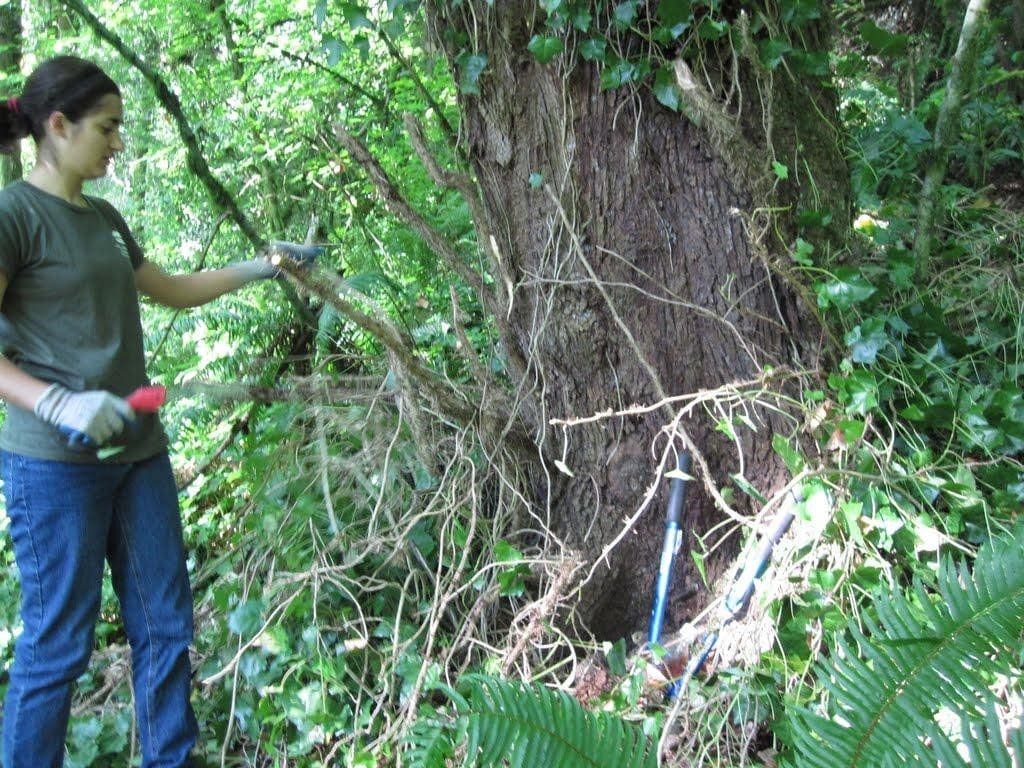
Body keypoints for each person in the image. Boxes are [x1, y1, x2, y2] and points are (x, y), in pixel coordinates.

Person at [0, 55, 314, 767]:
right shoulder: (13, 216)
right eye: (107, 128)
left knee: (166, 625)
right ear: (58, 124)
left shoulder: (104, 217)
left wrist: (268, 264)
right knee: (57, 649)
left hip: (138, 456)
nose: (118, 143)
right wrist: (58, 400)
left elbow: (172, 288)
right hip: (54, 467)